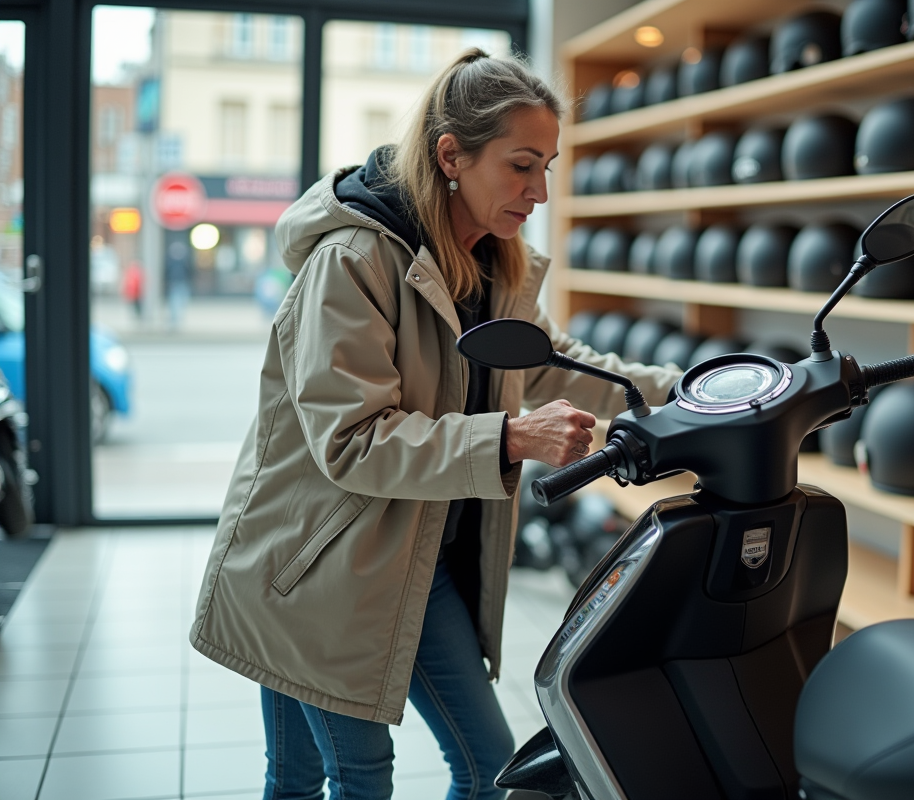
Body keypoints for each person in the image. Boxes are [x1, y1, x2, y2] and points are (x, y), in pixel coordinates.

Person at [189, 49, 680, 800]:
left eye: (546, 165)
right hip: (319, 566)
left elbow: (547, 360)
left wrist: (677, 391)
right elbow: (352, 440)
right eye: (521, 165)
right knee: (349, 775)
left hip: (415, 555)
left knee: (482, 765)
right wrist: (511, 438)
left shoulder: (492, 261)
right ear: (452, 154)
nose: (541, 190)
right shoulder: (352, 261)